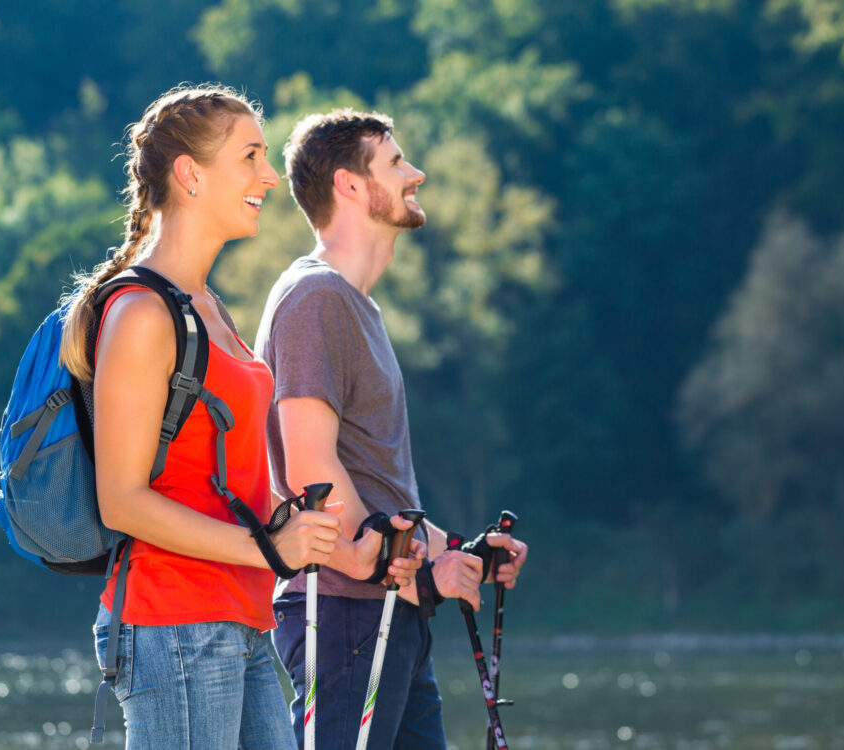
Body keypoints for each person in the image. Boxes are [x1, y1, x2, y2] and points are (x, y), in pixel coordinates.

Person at [58, 85, 417, 749]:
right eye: (249, 156)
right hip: (174, 622)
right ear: (189, 175)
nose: (267, 176)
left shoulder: (209, 309)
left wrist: (308, 534)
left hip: (237, 617)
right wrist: (269, 548)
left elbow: (224, 476)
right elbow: (123, 502)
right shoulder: (142, 313)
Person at [255, 108, 530, 750]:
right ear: (350, 185)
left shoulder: (356, 306)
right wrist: (414, 573)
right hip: (345, 612)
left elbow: (379, 492)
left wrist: (461, 551)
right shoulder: (316, 298)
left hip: (386, 609)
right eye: (397, 163)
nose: (418, 173)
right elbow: (308, 469)